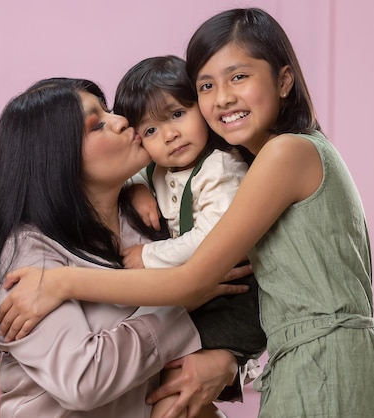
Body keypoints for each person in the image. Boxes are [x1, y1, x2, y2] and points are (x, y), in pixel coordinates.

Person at [0, 8, 374, 418]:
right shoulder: (150, 202)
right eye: (207, 84)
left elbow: (193, 284)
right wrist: (136, 187)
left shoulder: (282, 155)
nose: (223, 97)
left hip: (326, 367)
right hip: (301, 363)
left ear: (283, 80)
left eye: (239, 76)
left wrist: (63, 282)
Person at [0, 77, 248, 418]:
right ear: (57, 161)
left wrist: (227, 361)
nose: (122, 120)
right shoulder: (26, 257)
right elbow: (85, 379)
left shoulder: (152, 218)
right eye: (97, 125)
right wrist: (183, 298)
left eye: (108, 111)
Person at [113, 55, 266, 418]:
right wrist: (135, 189)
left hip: (234, 304)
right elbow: (128, 175)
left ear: (200, 107)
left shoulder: (221, 167)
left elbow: (213, 237)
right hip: (198, 301)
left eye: (177, 114)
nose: (169, 135)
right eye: (150, 131)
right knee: (178, 405)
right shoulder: (158, 170)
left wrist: (147, 257)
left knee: (170, 403)